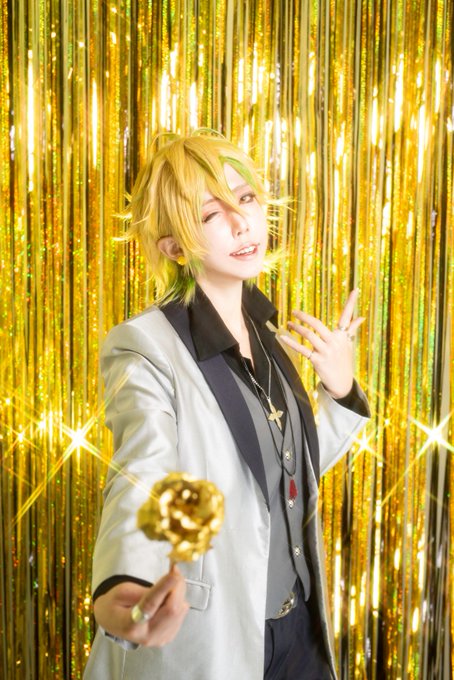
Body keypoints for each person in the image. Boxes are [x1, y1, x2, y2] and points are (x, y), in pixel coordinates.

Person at [84, 132, 370, 680]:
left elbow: (284, 472)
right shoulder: (144, 346)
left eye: (246, 199)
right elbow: (143, 471)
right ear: (174, 247)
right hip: (213, 640)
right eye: (211, 214)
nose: (242, 223)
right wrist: (124, 583)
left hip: (299, 631)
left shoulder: (267, 331)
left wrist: (339, 389)